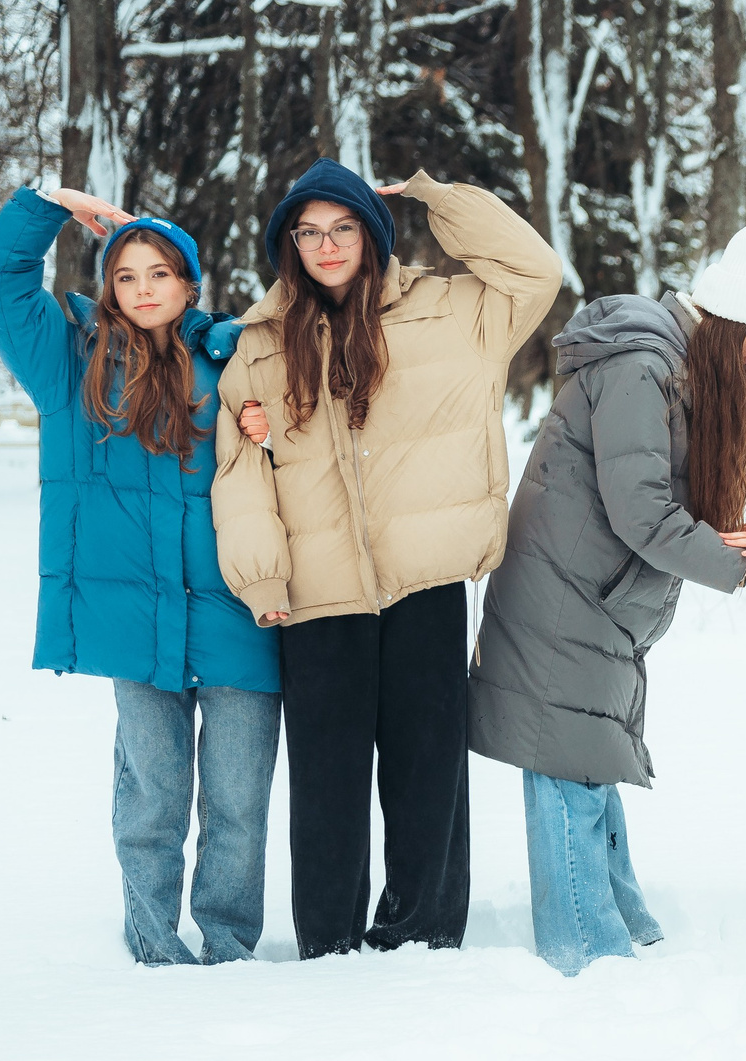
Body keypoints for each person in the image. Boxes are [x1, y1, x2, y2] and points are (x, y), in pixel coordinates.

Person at [215, 159, 562, 958]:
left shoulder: (455, 312)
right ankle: (329, 945)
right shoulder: (260, 346)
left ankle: (421, 936)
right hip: (316, 593)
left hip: (425, 580)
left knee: (427, 775)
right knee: (326, 786)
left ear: (372, 234)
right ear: (289, 245)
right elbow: (238, 476)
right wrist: (263, 575)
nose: (326, 245)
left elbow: (535, 269)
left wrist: (439, 199)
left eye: (342, 228)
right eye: (308, 232)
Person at [461, 226, 746, 973]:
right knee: (569, 759)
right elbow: (640, 510)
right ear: (731, 327)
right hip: (567, 592)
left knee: (590, 753)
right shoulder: (644, 368)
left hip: (590, 593)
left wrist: (737, 540)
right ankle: (586, 947)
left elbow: (657, 491)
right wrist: (735, 567)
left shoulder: (670, 367)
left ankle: (618, 923)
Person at [0, 186, 281, 965]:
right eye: (127, 275)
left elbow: (305, 443)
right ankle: (152, 942)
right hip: (132, 622)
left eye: (160, 274)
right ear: (109, 287)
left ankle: (231, 946)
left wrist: (271, 429)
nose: (143, 289)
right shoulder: (69, 363)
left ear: (189, 284)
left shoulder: (238, 358)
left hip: (237, 613)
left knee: (238, 799)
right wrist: (45, 207)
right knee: (152, 795)